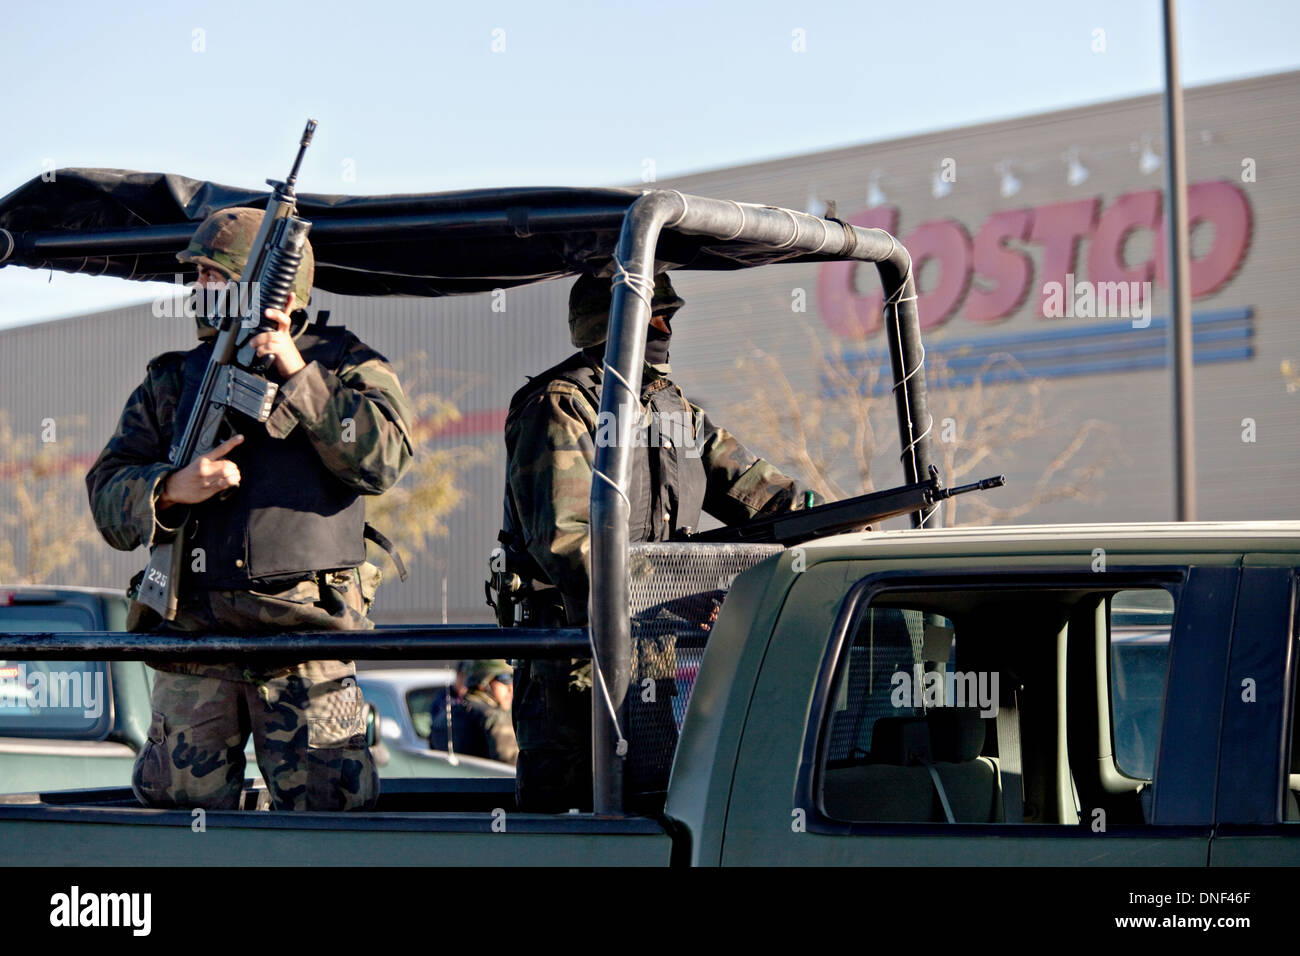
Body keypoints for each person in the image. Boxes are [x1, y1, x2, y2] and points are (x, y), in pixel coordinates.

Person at [85, 207, 415, 812]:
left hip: (305, 640)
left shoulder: (345, 362)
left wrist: (299, 373)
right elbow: (107, 494)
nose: (199, 291)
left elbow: (385, 460)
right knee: (176, 810)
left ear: (272, 288)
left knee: (331, 812)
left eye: (214, 276)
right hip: (197, 641)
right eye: (198, 278)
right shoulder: (172, 380)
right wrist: (170, 489)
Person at [501, 272, 812, 811]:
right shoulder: (563, 405)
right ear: (613, 325)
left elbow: (757, 490)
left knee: (655, 809)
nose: (668, 329)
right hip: (574, 665)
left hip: (654, 657)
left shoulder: (671, 409)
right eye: (655, 317)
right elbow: (569, 546)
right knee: (576, 823)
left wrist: (836, 524)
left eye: (670, 316)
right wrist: (680, 588)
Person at [428, 659, 518, 765]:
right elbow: (510, 766)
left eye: (514, 679)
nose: (511, 688)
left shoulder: (444, 717)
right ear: (483, 682)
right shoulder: (494, 717)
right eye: (505, 679)